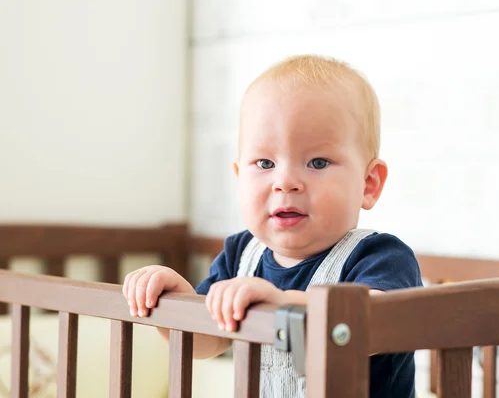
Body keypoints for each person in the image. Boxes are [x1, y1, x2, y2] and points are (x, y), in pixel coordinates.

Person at [122, 54, 423, 397]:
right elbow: (204, 342)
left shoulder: (379, 257)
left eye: (317, 162)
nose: (285, 182)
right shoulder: (240, 255)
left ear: (368, 184)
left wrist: (284, 306)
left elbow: (372, 327)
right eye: (265, 163)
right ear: (239, 177)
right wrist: (174, 300)